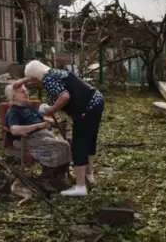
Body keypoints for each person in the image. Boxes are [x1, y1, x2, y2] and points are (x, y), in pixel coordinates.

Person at [12, 60, 104, 197]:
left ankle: (80, 187)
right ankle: (88, 175)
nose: (34, 85)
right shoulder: (53, 73)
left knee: (78, 146)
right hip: (96, 100)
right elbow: (35, 76)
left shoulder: (49, 81)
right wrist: (23, 80)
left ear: (37, 77)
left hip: (86, 108)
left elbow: (64, 96)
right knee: (90, 141)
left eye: (33, 81)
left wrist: (51, 110)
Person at [4, 84, 71, 186]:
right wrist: (38, 126)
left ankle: (58, 177)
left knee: (68, 143)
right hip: (28, 139)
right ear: (14, 96)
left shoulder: (28, 106)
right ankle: (46, 179)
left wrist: (55, 122)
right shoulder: (13, 111)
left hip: (44, 135)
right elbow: (14, 130)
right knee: (63, 146)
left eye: (26, 91)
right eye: (22, 92)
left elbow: (42, 119)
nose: (26, 93)